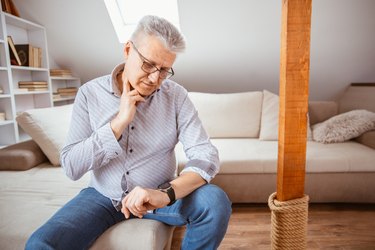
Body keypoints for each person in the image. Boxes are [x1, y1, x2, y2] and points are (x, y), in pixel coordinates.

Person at [26, 15, 231, 250]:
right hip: (101, 197)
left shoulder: (176, 97)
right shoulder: (89, 94)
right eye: (149, 65)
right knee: (40, 244)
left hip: (157, 193)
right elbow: (71, 166)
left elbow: (205, 155)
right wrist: (118, 123)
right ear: (127, 50)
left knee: (215, 201)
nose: (155, 78)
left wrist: (164, 194)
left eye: (164, 70)